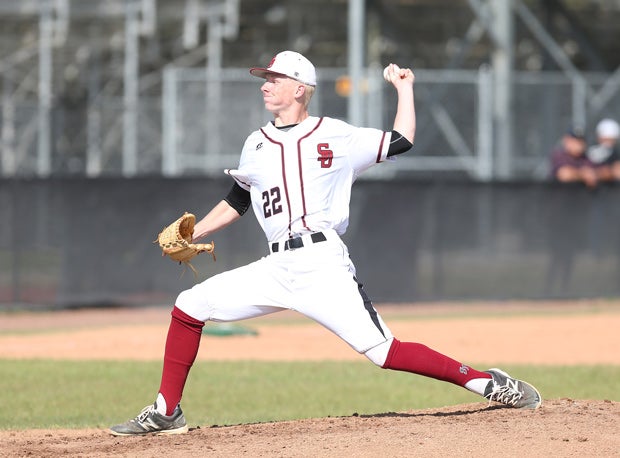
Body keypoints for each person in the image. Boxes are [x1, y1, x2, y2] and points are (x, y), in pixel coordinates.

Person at [109, 50, 541, 436]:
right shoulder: (255, 143)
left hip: (321, 263)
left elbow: (402, 140)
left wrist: (404, 89)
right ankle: (167, 412)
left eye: (274, 79)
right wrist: (195, 232)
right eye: (265, 78)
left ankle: (486, 382)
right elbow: (239, 199)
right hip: (275, 267)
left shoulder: (335, 134)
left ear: (300, 89)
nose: (265, 84)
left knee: (383, 351)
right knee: (190, 305)